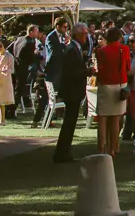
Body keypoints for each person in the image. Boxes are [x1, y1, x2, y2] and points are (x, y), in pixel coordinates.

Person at [52, 22, 92, 164]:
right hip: (72, 91)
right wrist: (87, 71)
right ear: (77, 34)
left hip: (74, 91)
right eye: (84, 34)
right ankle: (61, 153)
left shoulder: (75, 48)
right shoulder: (71, 49)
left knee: (70, 123)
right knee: (69, 123)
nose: (86, 37)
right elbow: (71, 73)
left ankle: (64, 152)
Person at [93, 25, 129, 156]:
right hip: (120, 84)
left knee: (102, 118)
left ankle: (101, 148)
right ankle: (112, 148)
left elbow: (99, 68)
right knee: (115, 118)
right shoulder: (124, 49)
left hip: (105, 84)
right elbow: (128, 67)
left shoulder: (100, 51)